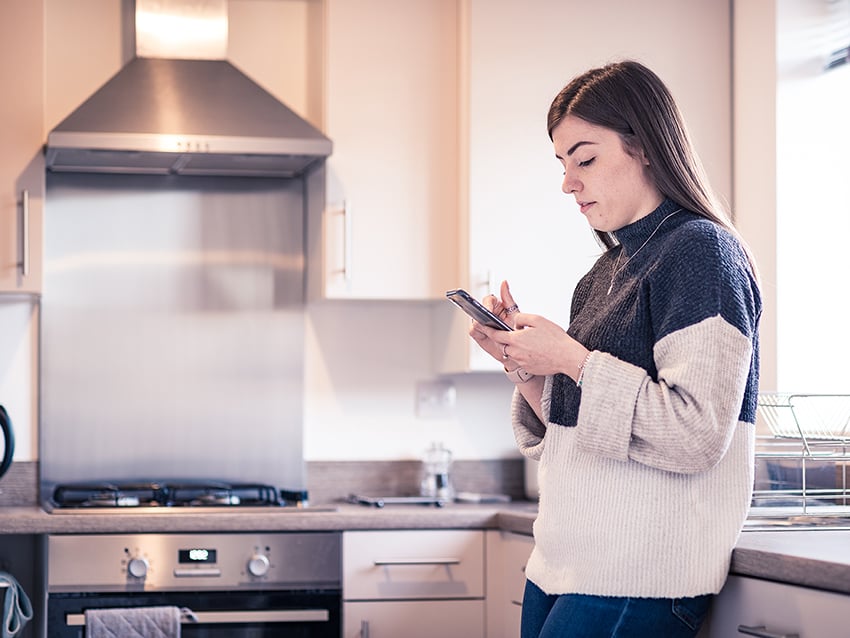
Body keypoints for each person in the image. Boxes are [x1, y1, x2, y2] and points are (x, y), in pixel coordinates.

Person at [468, 60, 761, 638]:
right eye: (562, 164)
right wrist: (522, 361)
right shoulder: (603, 273)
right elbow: (577, 426)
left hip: (639, 575)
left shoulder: (701, 253)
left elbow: (696, 432)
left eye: (586, 157)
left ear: (645, 147)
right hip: (563, 564)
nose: (568, 182)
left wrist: (570, 358)